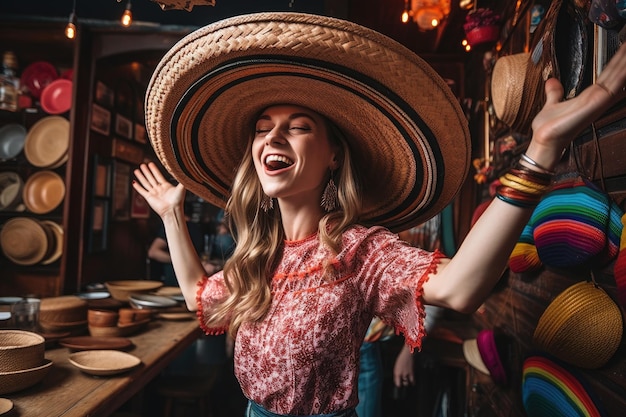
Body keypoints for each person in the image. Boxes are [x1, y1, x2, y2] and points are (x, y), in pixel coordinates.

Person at [132, 12, 626, 417]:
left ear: (333, 156)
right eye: (262, 128)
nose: (272, 137)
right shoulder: (260, 255)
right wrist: (172, 216)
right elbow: (203, 299)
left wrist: (538, 151)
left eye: (297, 126)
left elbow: (460, 288)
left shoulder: (358, 249)